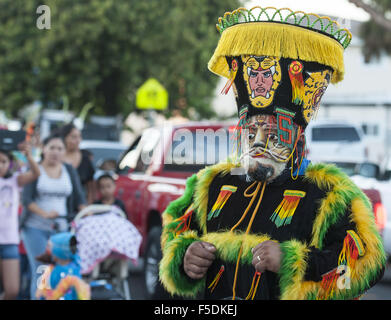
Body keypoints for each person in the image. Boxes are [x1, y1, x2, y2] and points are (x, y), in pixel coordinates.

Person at [159, 6, 386, 300]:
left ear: (297, 136)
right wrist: (184, 257)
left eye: (275, 133)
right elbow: (173, 233)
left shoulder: (330, 195)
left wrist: (296, 263)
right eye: (251, 132)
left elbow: (367, 267)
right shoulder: (211, 186)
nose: (259, 142)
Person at [20, 134, 86, 299]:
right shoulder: (36, 169)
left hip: (61, 230)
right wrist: (45, 214)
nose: (55, 152)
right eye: (52, 148)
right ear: (44, 149)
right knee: (42, 270)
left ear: (64, 151)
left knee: (60, 272)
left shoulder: (68, 170)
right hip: (35, 228)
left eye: (59, 148)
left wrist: (86, 212)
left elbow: (79, 197)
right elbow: (26, 200)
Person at [0, 143, 40, 300]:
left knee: (12, 290)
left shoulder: (15, 181)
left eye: (3, 161)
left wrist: (28, 156)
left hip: (10, 241)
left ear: (9, 164)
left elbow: (36, 173)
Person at [35, 232, 90, 300]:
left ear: (58, 252)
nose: (48, 251)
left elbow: (65, 295)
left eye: (50, 247)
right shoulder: (75, 267)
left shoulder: (61, 272)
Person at [60, 123, 95, 204]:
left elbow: (91, 188)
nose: (78, 140)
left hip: (80, 207)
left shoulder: (85, 159)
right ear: (64, 138)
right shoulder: (57, 158)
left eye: (79, 136)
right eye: (73, 137)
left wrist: (87, 206)